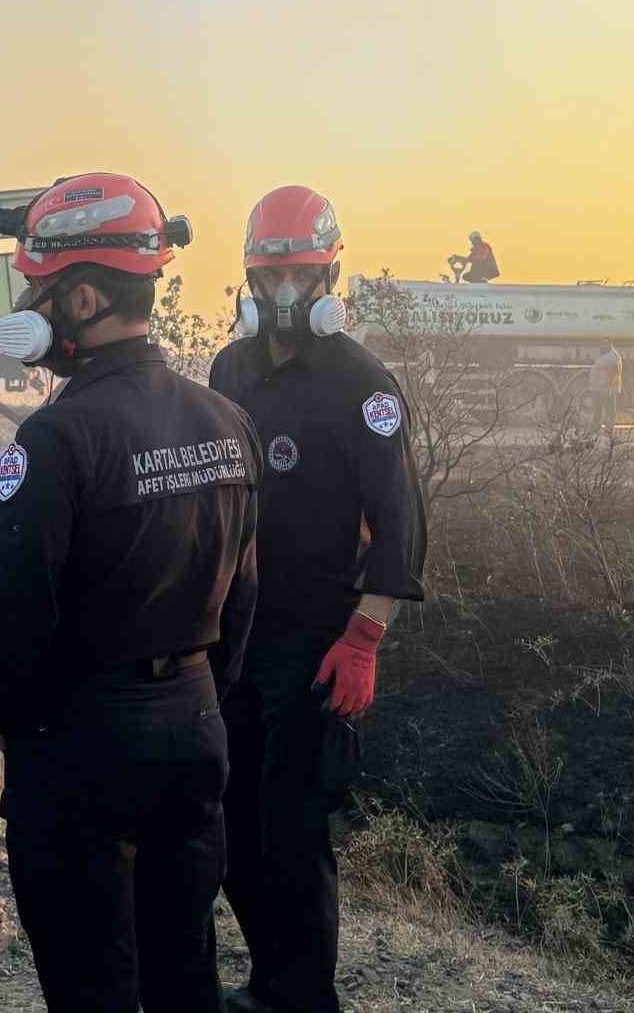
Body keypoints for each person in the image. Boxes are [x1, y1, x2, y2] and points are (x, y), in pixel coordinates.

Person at [0, 172, 261, 1012]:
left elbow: (21, 610)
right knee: (184, 973)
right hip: (196, 728)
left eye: (39, 289)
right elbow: (245, 593)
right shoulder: (224, 418)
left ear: (85, 298)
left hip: (82, 742)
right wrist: (205, 692)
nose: (30, 305)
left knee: (90, 983)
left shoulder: (57, 436)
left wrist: (3, 713)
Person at [211, 185, 428, 1013]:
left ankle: (304, 999)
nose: (283, 294)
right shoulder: (229, 368)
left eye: (300, 274)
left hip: (317, 644)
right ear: (248, 278)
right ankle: (272, 981)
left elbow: (401, 518)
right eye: (269, 277)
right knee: (230, 832)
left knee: (293, 837)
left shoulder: (362, 383)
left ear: (331, 272)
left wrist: (366, 636)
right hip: (235, 638)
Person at [589, 339, 624, 433]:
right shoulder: (604, 354)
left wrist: (609, 387)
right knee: (598, 408)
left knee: (609, 409)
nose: (601, 345)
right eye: (601, 343)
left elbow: (614, 372)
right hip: (599, 388)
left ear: (610, 344)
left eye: (604, 344)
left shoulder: (613, 356)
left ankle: (609, 428)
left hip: (607, 388)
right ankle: (596, 427)